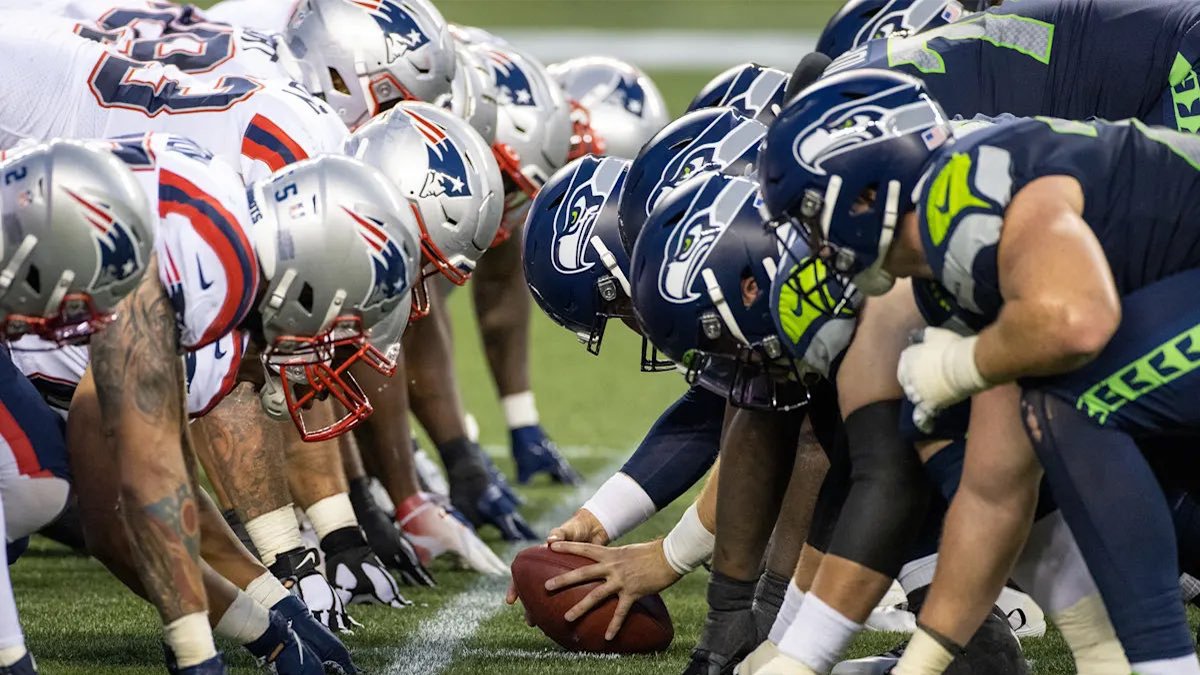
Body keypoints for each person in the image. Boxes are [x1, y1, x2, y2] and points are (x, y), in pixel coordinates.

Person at [760, 67, 1200, 674]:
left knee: (1068, 406)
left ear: (863, 194)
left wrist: (965, 362)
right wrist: (925, 661)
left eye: (808, 216)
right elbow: (993, 492)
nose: (814, 243)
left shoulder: (961, 194)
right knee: (1045, 413)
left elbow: (1077, 321)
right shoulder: (949, 276)